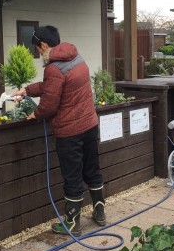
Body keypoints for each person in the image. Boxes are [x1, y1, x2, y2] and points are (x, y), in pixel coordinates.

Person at [11, 25, 105, 237]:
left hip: (70, 132)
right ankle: (100, 213)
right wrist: (27, 90)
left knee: (72, 176)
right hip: (89, 125)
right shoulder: (76, 58)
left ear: (44, 45)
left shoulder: (53, 68)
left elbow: (50, 104)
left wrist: (35, 114)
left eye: (37, 49)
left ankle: (72, 223)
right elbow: (51, 85)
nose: (37, 53)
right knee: (92, 169)